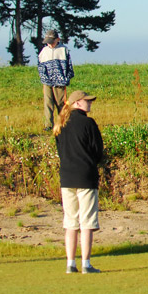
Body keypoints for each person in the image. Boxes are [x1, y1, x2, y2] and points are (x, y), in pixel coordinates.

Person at [54, 90, 104, 274]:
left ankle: (70, 264)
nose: (89, 103)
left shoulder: (61, 124)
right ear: (76, 103)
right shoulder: (88, 123)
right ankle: (86, 264)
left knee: (71, 222)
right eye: (86, 101)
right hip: (86, 176)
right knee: (87, 222)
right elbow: (97, 151)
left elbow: (60, 151)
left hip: (66, 178)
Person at [38, 29, 74, 131]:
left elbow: (69, 67)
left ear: (57, 39)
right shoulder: (43, 51)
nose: (50, 45)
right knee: (48, 103)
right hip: (47, 83)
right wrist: (44, 79)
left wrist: (66, 78)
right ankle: (48, 125)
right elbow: (40, 67)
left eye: (51, 42)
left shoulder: (64, 50)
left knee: (61, 104)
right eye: (48, 43)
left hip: (60, 83)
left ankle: (63, 123)